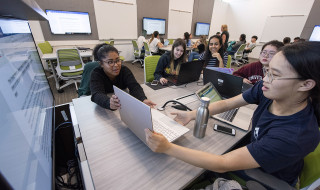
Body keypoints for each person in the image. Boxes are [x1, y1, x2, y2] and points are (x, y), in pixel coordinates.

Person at [145, 41, 320, 186]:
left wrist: (168, 148)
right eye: (267, 71)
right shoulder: (270, 91)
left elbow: (223, 164)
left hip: (265, 178)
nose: (265, 79)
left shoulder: (294, 135)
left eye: (275, 75)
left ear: (306, 84)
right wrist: (191, 114)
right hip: (256, 153)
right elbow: (229, 103)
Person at [90, 43, 156, 110]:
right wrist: (108, 102)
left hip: (122, 105)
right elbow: (96, 94)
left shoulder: (124, 70)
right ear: (101, 64)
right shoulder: (96, 73)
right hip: (104, 108)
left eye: (118, 60)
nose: (116, 65)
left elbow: (134, 86)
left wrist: (143, 99)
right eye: (110, 62)